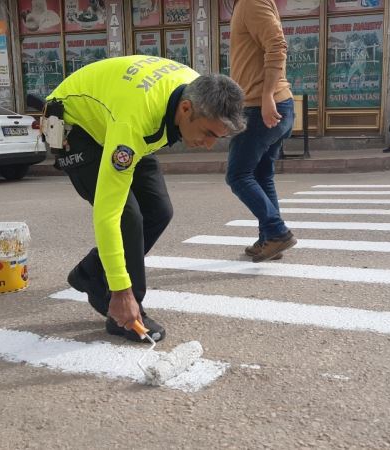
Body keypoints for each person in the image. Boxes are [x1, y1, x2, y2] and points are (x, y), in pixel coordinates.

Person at [45, 55, 245, 342]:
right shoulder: (133, 124)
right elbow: (107, 214)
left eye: (219, 138)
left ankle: (89, 274)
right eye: (207, 133)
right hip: (75, 125)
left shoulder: (193, 90)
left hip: (116, 115)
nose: (210, 144)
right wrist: (122, 290)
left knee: (159, 210)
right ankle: (125, 312)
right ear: (186, 108)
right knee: (128, 217)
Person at [226, 0, 297, 262]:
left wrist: (267, 95)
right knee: (262, 174)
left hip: (261, 107)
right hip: (267, 104)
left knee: (238, 175)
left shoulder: (251, 2)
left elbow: (277, 45)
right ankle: (269, 239)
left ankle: (277, 232)